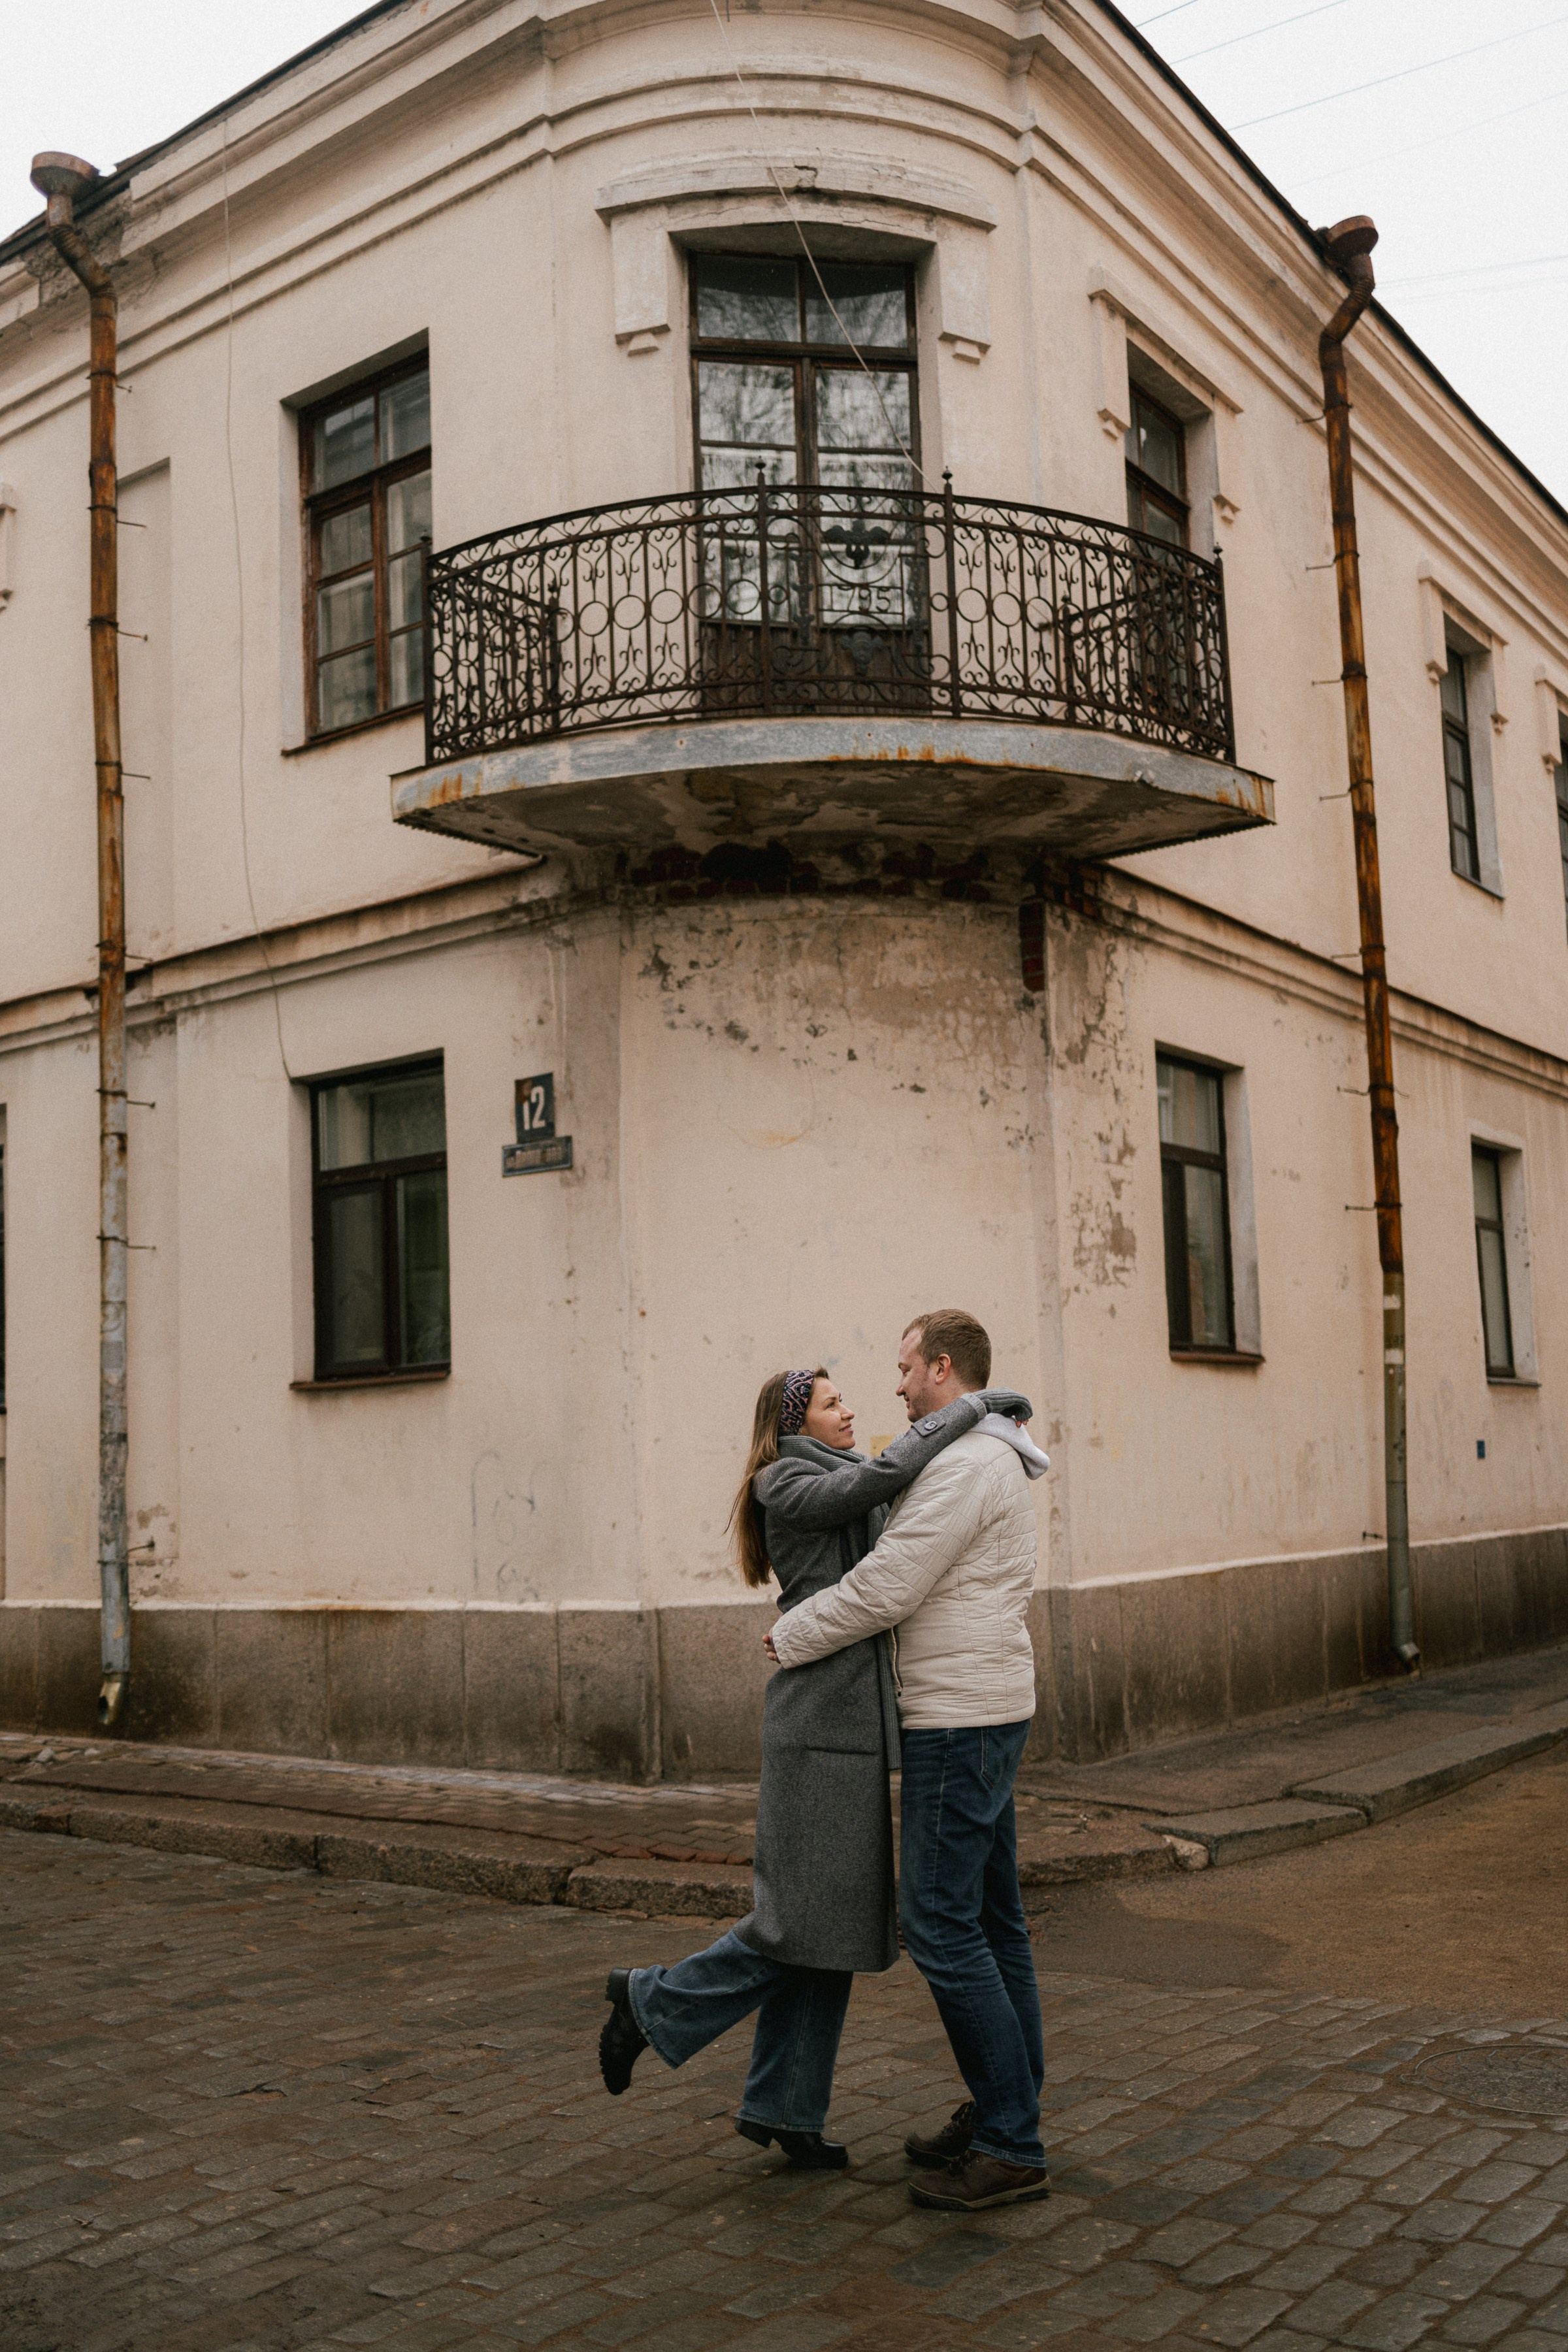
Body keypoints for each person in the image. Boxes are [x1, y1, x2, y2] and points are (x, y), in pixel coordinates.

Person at [597, 1358, 1032, 2169]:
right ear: (793, 1421)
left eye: (845, 1402)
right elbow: (889, 1474)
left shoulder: (847, 1471)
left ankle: (786, 2107)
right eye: (832, 1404)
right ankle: (650, 2001)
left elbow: (895, 1484)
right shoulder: (783, 1480)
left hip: (853, 1731)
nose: (848, 1413)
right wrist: (975, 1406)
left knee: (826, 1929)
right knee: (794, 1924)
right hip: (815, 1731)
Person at [766, 1308, 1052, 2212]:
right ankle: (1008, 2110)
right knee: (995, 1923)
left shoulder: (966, 1464)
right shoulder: (976, 1453)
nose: (895, 1388)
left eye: (902, 1370)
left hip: (958, 1721)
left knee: (939, 1925)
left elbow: (889, 1585)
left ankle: (1012, 2140)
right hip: (983, 1707)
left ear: (940, 1367)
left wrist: (792, 1632)